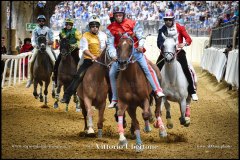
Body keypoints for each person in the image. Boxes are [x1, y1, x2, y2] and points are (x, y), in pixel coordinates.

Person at [106, 6, 165, 108]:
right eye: (116, 15)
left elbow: (140, 36)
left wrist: (141, 45)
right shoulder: (111, 28)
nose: (118, 17)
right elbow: (110, 44)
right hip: (120, 54)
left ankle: (157, 90)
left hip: (136, 52)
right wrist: (113, 55)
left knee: (147, 69)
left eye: (120, 15)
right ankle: (115, 98)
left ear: (124, 15)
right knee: (111, 73)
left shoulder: (132, 23)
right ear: (114, 16)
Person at [60, 15, 107, 103]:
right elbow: (85, 49)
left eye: (96, 26)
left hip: (101, 61)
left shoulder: (104, 35)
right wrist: (92, 56)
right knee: (78, 76)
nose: (95, 28)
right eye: (92, 26)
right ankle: (67, 95)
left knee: (112, 74)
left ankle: (116, 99)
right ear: (90, 27)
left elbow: (105, 48)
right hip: (88, 59)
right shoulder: (85, 35)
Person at [156, 10, 198, 101]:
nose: (168, 21)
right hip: (165, 53)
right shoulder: (162, 29)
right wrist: (163, 47)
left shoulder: (179, 27)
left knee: (186, 69)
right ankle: (155, 90)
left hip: (178, 52)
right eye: (166, 20)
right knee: (156, 68)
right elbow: (158, 42)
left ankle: (192, 91)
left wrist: (185, 43)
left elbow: (189, 39)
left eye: (170, 20)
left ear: (173, 19)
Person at [26, 15, 55, 88]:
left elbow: (52, 40)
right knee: (30, 61)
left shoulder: (48, 29)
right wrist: (34, 45)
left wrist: (47, 43)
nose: (41, 22)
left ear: (44, 22)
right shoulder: (35, 30)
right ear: (38, 22)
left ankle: (55, 77)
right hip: (37, 47)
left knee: (53, 60)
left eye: (42, 21)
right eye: (40, 21)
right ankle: (31, 78)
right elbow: (32, 39)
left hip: (46, 47)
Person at [53, 18, 82, 85]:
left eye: (70, 24)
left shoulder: (76, 31)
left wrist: (76, 44)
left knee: (78, 62)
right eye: (67, 24)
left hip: (73, 50)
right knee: (57, 61)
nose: (68, 25)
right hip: (65, 50)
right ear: (65, 25)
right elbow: (63, 37)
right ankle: (55, 76)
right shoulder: (62, 31)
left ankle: (79, 78)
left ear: (72, 25)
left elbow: (80, 39)